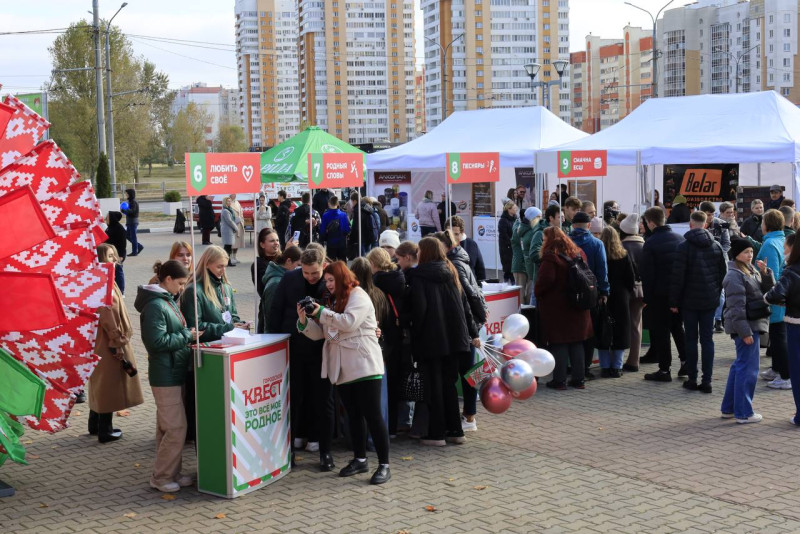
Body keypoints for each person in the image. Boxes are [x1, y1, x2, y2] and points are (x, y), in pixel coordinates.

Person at [297, 260, 391, 484]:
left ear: (341, 278)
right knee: (354, 415)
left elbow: (347, 323)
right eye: (326, 280)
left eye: (331, 280)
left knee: (373, 415)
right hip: (343, 367)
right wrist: (304, 321)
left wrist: (322, 312)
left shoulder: (357, 295)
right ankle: (360, 459)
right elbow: (323, 334)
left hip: (364, 364)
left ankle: (384, 464)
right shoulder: (335, 301)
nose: (328, 284)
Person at [403, 237, 476, 446]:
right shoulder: (451, 271)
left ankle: (436, 434)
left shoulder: (419, 275)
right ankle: (455, 430)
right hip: (456, 339)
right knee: (449, 385)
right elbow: (465, 306)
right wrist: (472, 333)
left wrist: (405, 321)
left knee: (433, 387)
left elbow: (420, 309)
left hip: (432, 339)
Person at [134, 260, 199, 492]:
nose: (182, 288)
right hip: (165, 374)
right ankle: (161, 477)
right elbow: (156, 342)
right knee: (176, 427)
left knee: (167, 427)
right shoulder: (156, 306)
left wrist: (185, 334)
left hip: (173, 370)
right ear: (168, 279)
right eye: (180, 283)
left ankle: (172, 471)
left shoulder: (164, 301)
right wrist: (187, 336)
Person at [268, 247, 335, 469]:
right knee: (293, 401)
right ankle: (289, 453)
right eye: (305, 273)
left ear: (323, 265)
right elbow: (275, 311)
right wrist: (274, 344)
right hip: (294, 350)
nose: (310, 277)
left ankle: (325, 452)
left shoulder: (331, 280)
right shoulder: (289, 278)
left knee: (323, 402)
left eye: (314, 273)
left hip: (322, 351)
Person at [88, 244, 143, 444]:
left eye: (114, 256)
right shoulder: (104, 282)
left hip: (100, 339)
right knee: (109, 384)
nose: (114, 259)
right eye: (109, 256)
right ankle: (105, 430)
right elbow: (108, 314)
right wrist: (117, 341)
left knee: (100, 382)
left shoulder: (100, 279)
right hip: (108, 340)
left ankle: (94, 425)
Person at [669, 211, 727, 392]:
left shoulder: (683, 247)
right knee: (707, 340)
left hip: (689, 301)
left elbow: (677, 277)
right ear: (706, 224)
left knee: (691, 339)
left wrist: (674, 301)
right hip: (709, 299)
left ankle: (692, 378)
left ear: (690, 225)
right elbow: (722, 274)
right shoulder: (716, 246)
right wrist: (716, 293)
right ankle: (707, 380)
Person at [434, 230, 486, 433]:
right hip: (470, 325)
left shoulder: (453, 264)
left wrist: (473, 325)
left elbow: (467, 295)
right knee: (470, 372)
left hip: (464, 325)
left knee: (465, 373)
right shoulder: (461, 259)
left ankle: (469, 416)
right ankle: (469, 415)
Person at [721, 239, 774, 423]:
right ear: (736, 254)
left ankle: (729, 408)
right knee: (748, 369)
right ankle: (744, 413)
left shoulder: (750, 270)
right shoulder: (735, 275)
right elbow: (736, 308)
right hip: (747, 327)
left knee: (740, 366)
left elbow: (767, 293)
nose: (750, 255)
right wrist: (745, 332)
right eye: (745, 252)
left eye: (751, 251)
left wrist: (766, 274)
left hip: (752, 324)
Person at [534, 227, 594, 390]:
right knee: (576, 343)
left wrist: (537, 292)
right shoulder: (577, 253)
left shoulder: (551, 258)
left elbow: (545, 281)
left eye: (544, 239)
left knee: (559, 343)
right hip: (578, 306)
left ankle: (559, 380)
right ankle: (579, 379)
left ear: (549, 240)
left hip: (558, 309)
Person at [640, 206, 686, 382]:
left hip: (659, 295)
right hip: (678, 293)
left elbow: (648, 274)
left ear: (651, 222)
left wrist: (647, 298)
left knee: (661, 331)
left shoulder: (650, 243)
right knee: (677, 328)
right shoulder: (679, 239)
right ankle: (685, 361)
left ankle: (664, 369)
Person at [367, 247, 407, 436]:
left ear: (373, 264)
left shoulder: (376, 284)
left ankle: (387, 427)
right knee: (397, 383)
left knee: (384, 386)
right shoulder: (400, 277)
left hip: (384, 338)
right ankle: (398, 424)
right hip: (400, 336)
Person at [569, 211, 610, 379]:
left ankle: (572, 366)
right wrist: (604, 291)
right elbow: (602, 270)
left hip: (570, 292)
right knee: (589, 330)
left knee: (572, 329)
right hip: (591, 292)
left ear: (572, 225)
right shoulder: (597, 244)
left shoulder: (565, 242)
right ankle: (585, 367)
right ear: (588, 225)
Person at [765, 234, 800, 426]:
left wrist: (779, 299)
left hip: (796, 324)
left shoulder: (791, 271)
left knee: (797, 371)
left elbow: (774, 295)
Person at [180, 245, 247, 344]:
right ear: (206, 264)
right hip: (207, 348)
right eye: (219, 266)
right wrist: (227, 328)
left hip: (228, 344)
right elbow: (195, 327)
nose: (223, 271)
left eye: (225, 266)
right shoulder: (193, 291)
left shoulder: (226, 287)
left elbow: (233, 316)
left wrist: (241, 325)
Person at [757, 209, 790, 390]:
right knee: (778, 336)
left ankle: (785, 375)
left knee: (778, 337)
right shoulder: (780, 239)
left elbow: (773, 274)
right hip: (782, 298)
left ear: (767, 224)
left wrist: (773, 297)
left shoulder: (770, 244)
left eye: (762, 222)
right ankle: (777, 369)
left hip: (777, 299)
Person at [597, 228, 635, 377]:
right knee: (621, 330)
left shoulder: (600, 254)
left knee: (603, 330)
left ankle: (605, 366)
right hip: (621, 296)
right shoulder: (623, 254)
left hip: (603, 296)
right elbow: (630, 279)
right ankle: (617, 366)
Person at [619, 213, 646, 372]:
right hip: (642, 290)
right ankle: (634, 360)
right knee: (637, 325)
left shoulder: (621, 247)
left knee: (620, 324)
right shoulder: (645, 246)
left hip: (624, 291)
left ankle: (616, 360)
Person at [258, 246, 302, 333]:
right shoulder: (276, 283)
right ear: (289, 261)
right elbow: (271, 316)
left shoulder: (285, 278)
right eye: (298, 265)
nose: (300, 270)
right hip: (275, 336)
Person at [529, 204, 561, 298]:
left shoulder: (560, 231)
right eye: (559, 217)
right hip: (542, 278)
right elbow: (534, 254)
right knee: (536, 307)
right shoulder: (540, 233)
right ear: (551, 218)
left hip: (554, 279)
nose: (562, 220)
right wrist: (551, 258)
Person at [446, 216, 485, 281]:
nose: (452, 237)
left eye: (456, 234)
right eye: (449, 234)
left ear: (462, 232)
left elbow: (480, 269)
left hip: (469, 286)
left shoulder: (472, 244)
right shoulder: (440, 245)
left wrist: (481, 285)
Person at [511, 207, 534, 301]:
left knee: (529, 293)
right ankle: (520, 314)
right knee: (520, 294)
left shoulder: (526, 228)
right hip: (520, 265)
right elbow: (518, 237)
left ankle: (528, 313)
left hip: (528, 264)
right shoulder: (518, 228)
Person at [320, 195, 351, 261]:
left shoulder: (325, 215)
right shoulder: (343, 214)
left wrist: (323, 240)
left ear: (329, 204)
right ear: (337, 204)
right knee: (342, 262)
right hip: (342, 242)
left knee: (331, 262)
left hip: (331, 242)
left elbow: (322, 231)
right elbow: (347, 229)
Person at [251, 228, 281, 295]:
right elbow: (267, 285)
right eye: (272, 241)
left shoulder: (282, 259)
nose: (276, 243)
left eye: (277, 240)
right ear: (262, 245)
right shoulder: (258, 264)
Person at [103, 211, 127, 292]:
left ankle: (121, 291)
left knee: (118, 272)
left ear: (112, 218)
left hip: (117, 254)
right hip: (110, 254)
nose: (106, 218)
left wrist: (121, 256)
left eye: (107, 217)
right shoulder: (109, 228)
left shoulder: (120, 229)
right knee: (113, 273)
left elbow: (123, 244)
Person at [498, 201, 517, 284]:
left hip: (513, 245)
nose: (516, 209)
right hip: (506, 247)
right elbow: (503, 234)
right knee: (508, 266)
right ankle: (508, 282)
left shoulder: (515, 219)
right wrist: (511, 243)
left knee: (511, 266)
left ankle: (509, 282)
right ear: (509, 209)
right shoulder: (503, 220)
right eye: (514, 208)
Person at [120, 188, 143, 256]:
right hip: (130, 222)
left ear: (130, 194)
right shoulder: (130, 201)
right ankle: (139, 246)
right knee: (127, 236)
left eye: (127, 193)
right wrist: (124, 210)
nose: (126, 195)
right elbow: (129, 211)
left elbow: (132, 211)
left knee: (133, 237)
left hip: (133, 222)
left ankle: (134, 251)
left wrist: (124, 210)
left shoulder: (133, 202)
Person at [220, 197, 241, 266]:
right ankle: (227, 262)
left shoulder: (229, 209)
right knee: (227, 247)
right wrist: (236, 228)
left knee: (228, 247)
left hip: (229, 230)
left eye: (230, 201)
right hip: (227, 230)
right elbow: (229, 221)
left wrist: (238, 219)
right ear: (225, 202)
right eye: (228, 201)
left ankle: (227, 261)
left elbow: (232, 219)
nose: (229, 203)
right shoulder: (226, 211)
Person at [228, 194, 246, 265]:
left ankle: (235, 256)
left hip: (239, 224)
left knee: (238, 242)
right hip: (233, 225)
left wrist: (241, 220)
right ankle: (231, 257)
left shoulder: (237, 202)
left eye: (235, 194)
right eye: (233, 194)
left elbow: (241, 212)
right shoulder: (228, 203)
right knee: (233, 243)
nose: (234, 195)